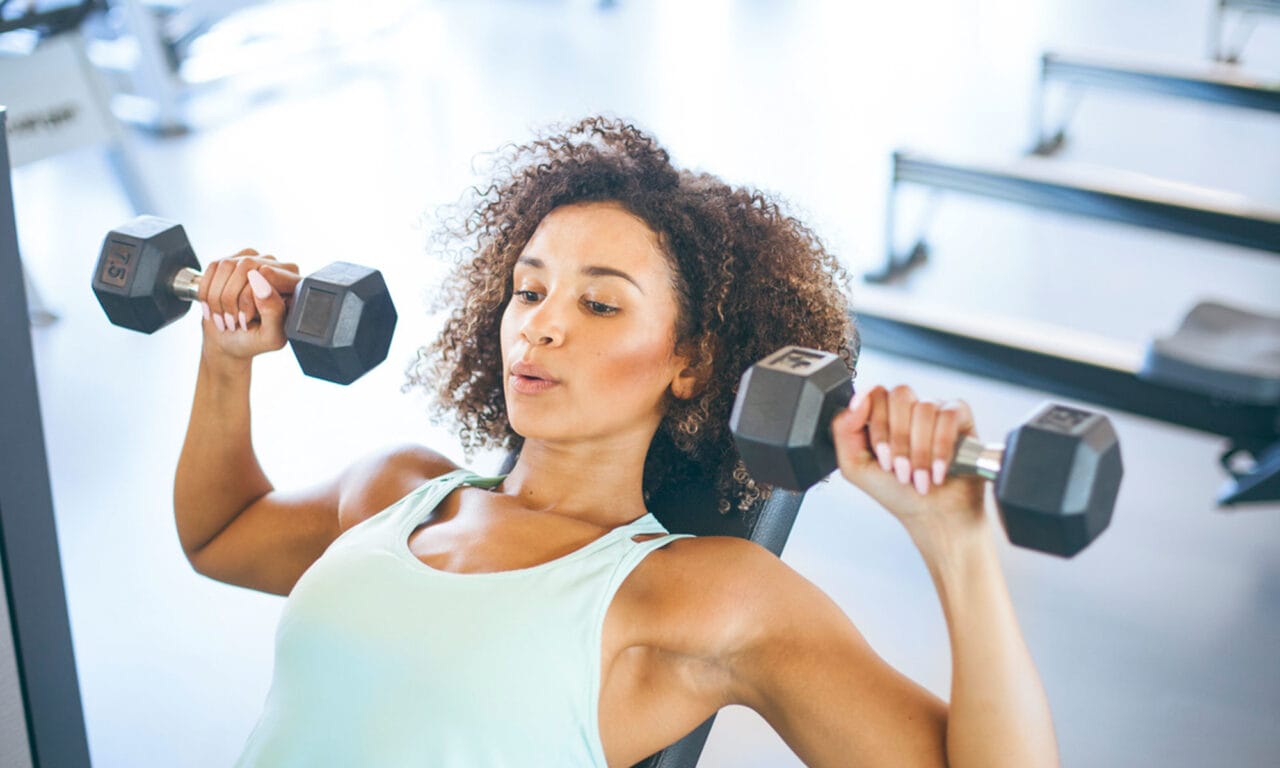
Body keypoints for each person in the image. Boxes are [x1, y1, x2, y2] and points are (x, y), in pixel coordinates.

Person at [174, 116, 1058, 767]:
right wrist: (226, 356)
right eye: (529, 291)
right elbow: (221, 534)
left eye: (599, 304)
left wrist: (955, 539)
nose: (541, 326)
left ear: (691, 362)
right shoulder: (396, 491)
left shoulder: (699, 596)